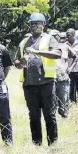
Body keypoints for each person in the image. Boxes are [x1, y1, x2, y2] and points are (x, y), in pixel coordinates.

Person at [14, 13, 61, 146]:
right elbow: (16, 61)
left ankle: (53, 143)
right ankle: (37, 144)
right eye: (32, 24)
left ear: (43, 25)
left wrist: (38, 53)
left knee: (49, 114)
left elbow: (58, 54)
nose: (34, 26)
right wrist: (20, 63)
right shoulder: (24, 42)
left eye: (37, 23)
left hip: (46, 83)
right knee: (33, 116)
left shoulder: (49, 38)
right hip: (29, 84)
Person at [49, 30, 72, 118]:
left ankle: (65, 115)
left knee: (64, 98)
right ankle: (55, 117)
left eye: (55, 36)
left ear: (59, 36)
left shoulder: (65, 47)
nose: (54, 38)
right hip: (51, 77)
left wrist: (70, 67)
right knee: (52, 99)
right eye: (52, 36)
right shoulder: (47, 48)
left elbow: (74, 56)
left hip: (63, 77)